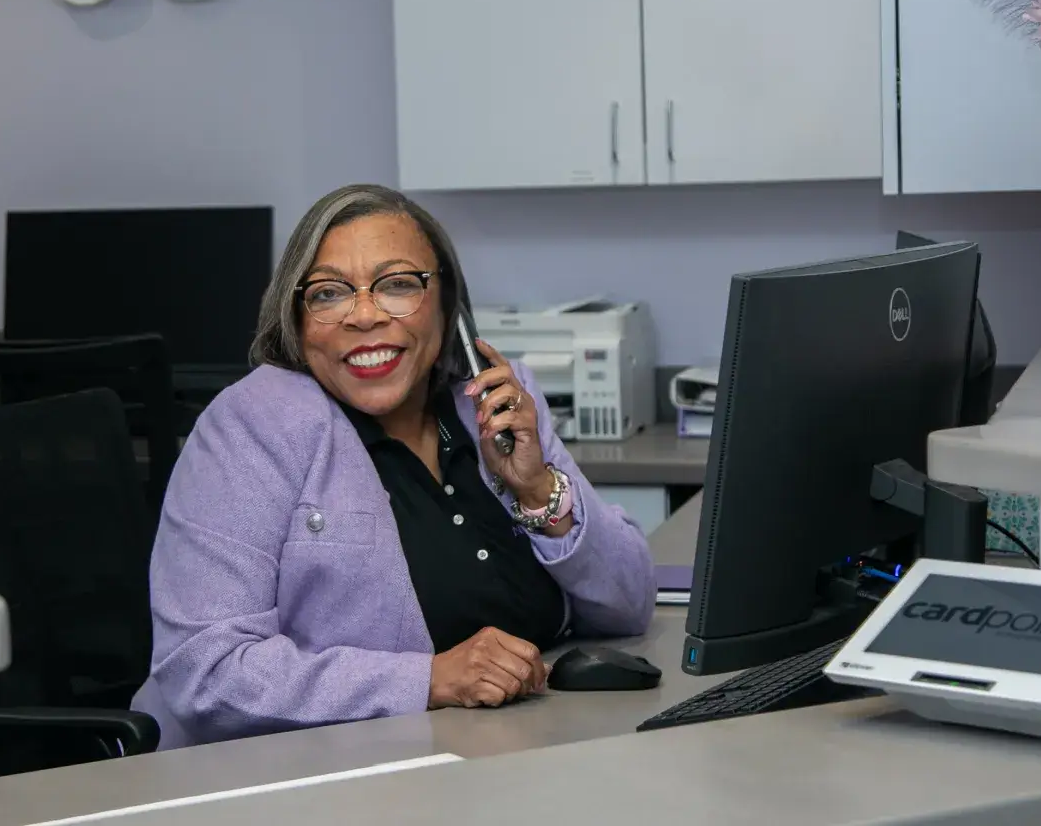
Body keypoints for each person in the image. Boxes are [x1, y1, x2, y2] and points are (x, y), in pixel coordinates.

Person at [134, 184, 657, 748]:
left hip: (501, 760)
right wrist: (428, 680)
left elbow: (629, 605)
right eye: (330, 293)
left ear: (447, 301)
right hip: (300, 784)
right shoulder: (250, 428)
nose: (364, 315)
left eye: (398, 284)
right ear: (297, 314)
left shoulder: (494, 404)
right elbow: (206, 672)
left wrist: (538, 491)